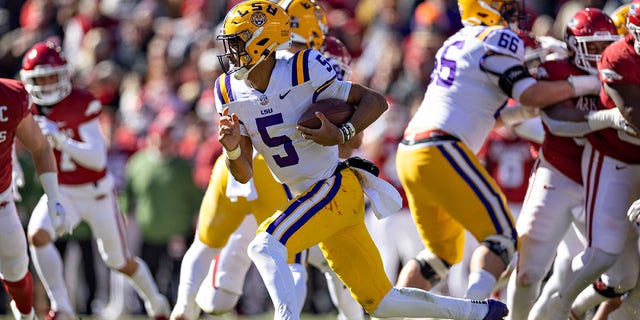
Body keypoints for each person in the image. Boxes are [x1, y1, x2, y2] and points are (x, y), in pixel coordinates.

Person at [216, 1, 509, 319]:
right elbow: (243, 174)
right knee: (383, 303)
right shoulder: (228, 90)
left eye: (237, 43)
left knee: (265, 245)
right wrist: (232, 149)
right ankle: (477, 313)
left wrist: (342, 133)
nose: (231, 53)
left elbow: (373, 100)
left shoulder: (302, 67)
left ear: (263, 41)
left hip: (333, 185)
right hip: (316, 198)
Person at [393, 0, 620, 303]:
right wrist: (587, 83)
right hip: (441, 146)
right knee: (501, 239)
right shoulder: (497, 38)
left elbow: (493, 114)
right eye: (507, 5)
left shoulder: (457, 40)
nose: (515, 12)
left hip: (410, 150)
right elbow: (531, 93)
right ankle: (476, 308)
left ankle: (395, 310)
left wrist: (525, 110)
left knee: (440, 255)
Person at [171, 2, 363, 319]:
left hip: (239, 164)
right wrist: (342, 131)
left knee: (215, 268)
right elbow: (351, 138)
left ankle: (188, 304)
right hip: (284, 174)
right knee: (302, 259)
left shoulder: (245, 66)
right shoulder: (315, 60)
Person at [22, 41, 170, 320]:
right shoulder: (28, 107)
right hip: (62, 191)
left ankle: (155, 300)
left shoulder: (80, 102)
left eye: (51, 76)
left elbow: (97, 159)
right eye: (39, 79)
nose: (46, 84)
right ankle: (62, 307)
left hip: (96, 194)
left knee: (119, 261)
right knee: (37, 236)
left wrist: (60, 138)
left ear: (64, 74)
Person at [504, 8, 626, 319]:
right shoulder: (556, 69)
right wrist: (602, 108)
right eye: (592, 47)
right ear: (574, 47)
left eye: (605, 45)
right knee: (528, 271)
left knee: (583, 272)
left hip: (604, 181)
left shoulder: (621, 68)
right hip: (559, 174)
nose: (600, 54)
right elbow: (556, 120)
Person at [537, 0, 640, 318]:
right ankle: (561, 307)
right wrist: (604, 118)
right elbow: (637, 117)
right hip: (615, 161)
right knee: (606, 261)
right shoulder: (619, 57)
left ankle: (580, 310)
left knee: (631, 282)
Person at [0, 78, 65, 320]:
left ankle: (26, 316)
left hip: (2, 203)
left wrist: (53, 197)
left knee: (16, 269)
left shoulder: (10, 96)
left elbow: (39, 147)